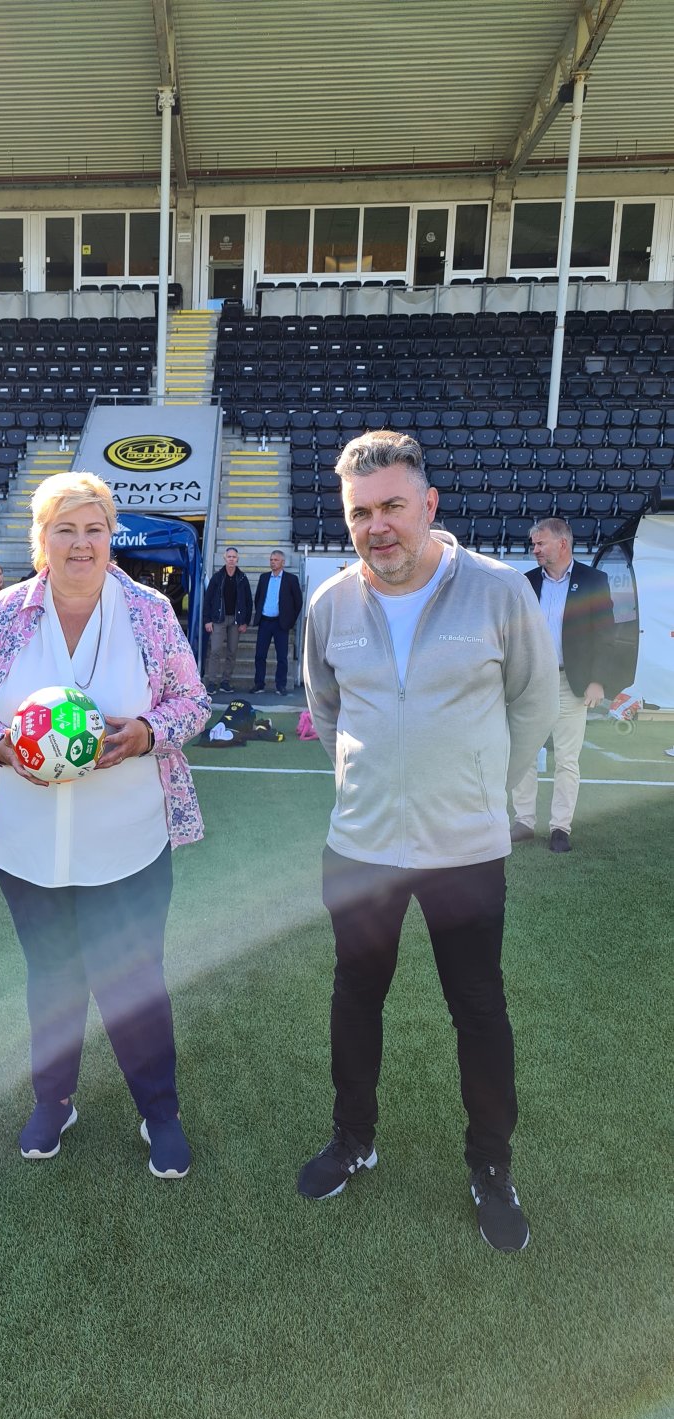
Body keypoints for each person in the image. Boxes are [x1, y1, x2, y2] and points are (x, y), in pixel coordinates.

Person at [300, 430, 557, 1253]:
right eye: (360, 512)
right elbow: (329, 711)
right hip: (363, 846)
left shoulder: (497, 592)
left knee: (478, 1009)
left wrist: (484, 793)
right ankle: (354, 1138)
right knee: (354, 997)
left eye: (393, 507)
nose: (378, 526)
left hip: (465, 849)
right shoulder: (331, 603)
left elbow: (532, 704)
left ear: (429, 506)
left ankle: (490, 1165)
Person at [0, 471, 210, 1179]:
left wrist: (148, 733)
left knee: (134, 981)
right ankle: (53, 1100)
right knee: (51, 978)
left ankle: (160, 1113)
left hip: (129, 841)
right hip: (28, 845)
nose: (81, 543)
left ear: (110, 538)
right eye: (66, 529)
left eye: (94, 529)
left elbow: (193, 701)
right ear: (41, 542)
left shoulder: (148, 612)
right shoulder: (5, 615)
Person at [510, 517, 615, 854]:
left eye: (540, 543)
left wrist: (598, 680)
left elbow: (606, 634)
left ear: (562, 544)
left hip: (572, 682)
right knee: (523, 754)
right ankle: (524, 821)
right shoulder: (524, 583)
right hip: (531, 682)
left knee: (567, 759)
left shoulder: (593, 581)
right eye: (534, 544)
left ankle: (560, 828)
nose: (535, 549)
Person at [251, 549, 302, 696]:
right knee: (260, 655)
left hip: (281, 624)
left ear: (283, 562)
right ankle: (259, 684)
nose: (273, 562)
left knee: (282, 657)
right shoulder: (264, 578)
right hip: (265, 622)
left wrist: (289, 621)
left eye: (276, 560)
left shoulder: (291, 579)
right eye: (271, 560)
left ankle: (281, 685)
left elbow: (298, 602)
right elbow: (258, 598)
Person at [202, 545, 252, 692]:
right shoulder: (217, 577)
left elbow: (249, 602)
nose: (231, 559)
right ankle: (212, 682)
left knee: (232, 651)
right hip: (219, 620)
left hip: (236, 621)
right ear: (224, 558)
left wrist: (245, 622)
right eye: (229, 557)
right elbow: (208, 600)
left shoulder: (242, 578)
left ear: (237, 559)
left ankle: (225, 681)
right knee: (215, 650)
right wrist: (207, 620)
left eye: (234, 557)